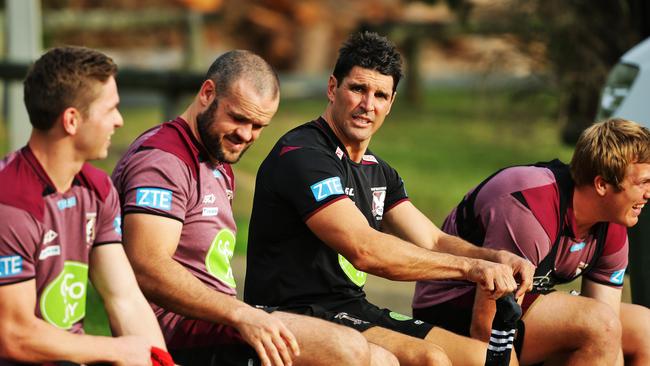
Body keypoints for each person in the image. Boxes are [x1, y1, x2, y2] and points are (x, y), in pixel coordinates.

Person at [243, 31, 535, 366]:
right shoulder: (303, 155)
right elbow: (365, 250)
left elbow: (432, 239)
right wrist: (470, 268)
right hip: (294, 313)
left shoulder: (378, 171)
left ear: (391, 103)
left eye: (380, 95)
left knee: (489, 359)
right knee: (429, 359)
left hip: (351, 309)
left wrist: (495, 258)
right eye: (357, 89)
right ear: (332, 88)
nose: (368, 105)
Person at [112, 49, 398, 366]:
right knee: (346, 349)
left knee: (384, 360)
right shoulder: (164, 160)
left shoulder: (217, 159)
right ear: (207, 93)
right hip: (176, 334)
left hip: (217, 321)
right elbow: (147, 266)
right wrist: (239, 313)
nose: (246, 135)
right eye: (238, 118)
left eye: (258, 125)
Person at [413, 118, 650, 365]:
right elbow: (486, 328)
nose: (649, 194)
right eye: (643, 182)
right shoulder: (531, 209)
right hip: (453, 306)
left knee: (643, 328)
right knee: (599, 324)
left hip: (520, 307)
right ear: (602, 184)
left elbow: (607, 320)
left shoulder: (613, 220)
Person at [0, 47, 172, 366]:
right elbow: (14, 335)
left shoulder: (97, 188)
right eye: (110, 110)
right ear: (72, 120)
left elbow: (125, 299)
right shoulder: (9, 204)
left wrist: (161, 362)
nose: (120, 121)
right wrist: (116, 351)